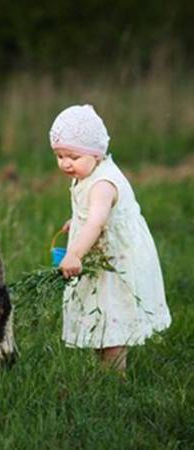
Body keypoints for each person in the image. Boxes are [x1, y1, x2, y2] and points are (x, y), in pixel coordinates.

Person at [49, 104, 171, 372]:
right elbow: (89, 216)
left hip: (117, 259)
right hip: (102, 254)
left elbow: (97, 220)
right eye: (59, 155)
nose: (65, 163)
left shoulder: (104, 183)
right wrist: (76, 221)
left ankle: (115, 376)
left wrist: (75, 254)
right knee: (99, 309)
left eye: (72, 155)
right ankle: (104, 367)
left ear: (96, 153)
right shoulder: (86, 173)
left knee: (112, 310)